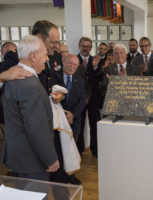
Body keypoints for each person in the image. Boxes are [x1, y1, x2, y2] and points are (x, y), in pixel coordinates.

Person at [1, 35, 59, 181]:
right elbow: (36, 129)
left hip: (19, 156)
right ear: (34, 56)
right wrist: (50, 158)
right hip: (33, 159)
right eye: (45, 54)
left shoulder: (11, 77)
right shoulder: (30, 85)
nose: (47, 59)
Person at [60, 54, 85, 185]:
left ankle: (71, 174)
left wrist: (72, 114)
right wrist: (64, 114)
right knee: (59, 148)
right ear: (63, 62)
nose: (72, 66)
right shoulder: (55, 78)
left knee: (72, 149)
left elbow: (82, 101)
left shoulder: (79, 80)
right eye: (70, 63)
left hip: (73, 121)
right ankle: (59, 175)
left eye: (75, 65)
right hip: (59, 121)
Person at [76, 37, 101, 157]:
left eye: (87, 46)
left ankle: (95, 150)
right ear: (79, 46)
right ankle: (78, 150)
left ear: (91, 48)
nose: (85, 48)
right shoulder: (73, 60)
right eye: (83, 46)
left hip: (94, 99)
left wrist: (95, 67)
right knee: (79, 126)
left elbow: (99, 77)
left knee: (94, 126)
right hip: (78, 99)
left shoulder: (95, 60)